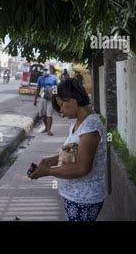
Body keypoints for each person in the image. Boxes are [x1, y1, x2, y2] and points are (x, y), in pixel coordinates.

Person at [29, 78, 106, 221]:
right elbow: (71, 153)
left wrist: (47, 172)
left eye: (62, 105)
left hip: (83, 199)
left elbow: (82, 168)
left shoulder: (90, 126)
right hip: (75, 196)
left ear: (73, 99)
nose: (62, 112)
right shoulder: (78, 123)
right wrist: (50, 161)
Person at [34, 65, 59, 136]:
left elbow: (55, 89)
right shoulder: (40, 78)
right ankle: (46, 127)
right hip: (42, 98)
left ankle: (49, 130)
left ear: (50, 70)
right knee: (43, 115)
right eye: (44, 70)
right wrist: (35, 99)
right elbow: (38, 89)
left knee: (49, 115)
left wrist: (56, 99)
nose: (45, 71)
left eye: (46, 69)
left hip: (51, 99)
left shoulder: (54, 78)